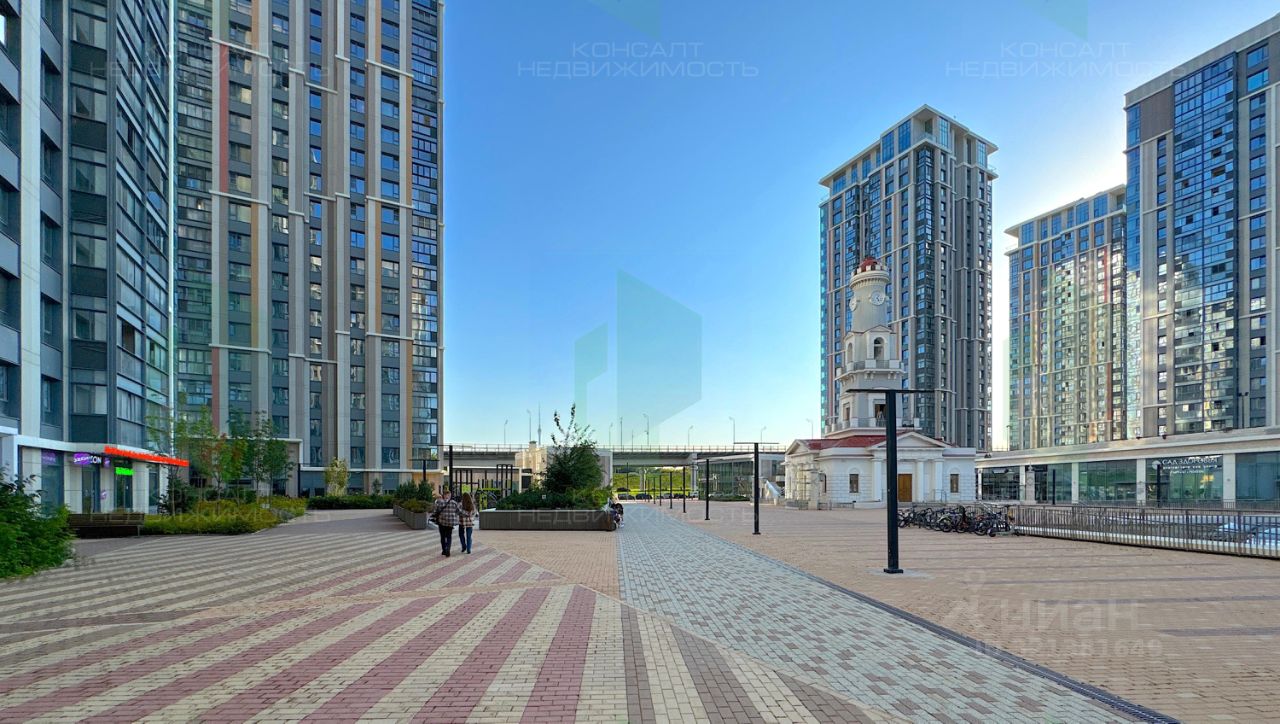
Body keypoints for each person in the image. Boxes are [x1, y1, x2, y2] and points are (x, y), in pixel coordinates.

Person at [431, 488, 461, 556]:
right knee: (449, 536)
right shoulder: (454, 503)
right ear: (449, 495)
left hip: (441, 522)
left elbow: (435, 511)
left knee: (442, 537)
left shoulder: (440, 502)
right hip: (450, 523)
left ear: (443, 495)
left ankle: (444, 550)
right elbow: (458, 512)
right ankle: (448, 550)